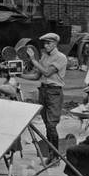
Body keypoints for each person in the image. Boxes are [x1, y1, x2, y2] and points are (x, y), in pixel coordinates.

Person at [22, 32, 67, 160]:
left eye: (49, 43)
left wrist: (33, 60)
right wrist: (18, 75)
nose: (46, 46)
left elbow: (47, 72)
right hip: (44, 91)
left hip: (54, 92)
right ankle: (51, 155)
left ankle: (56, 156)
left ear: (55, 43)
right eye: (45, 43)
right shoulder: (44, 57)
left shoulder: (60, 57)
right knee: (47, 124)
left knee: (52, 125)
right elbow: (37, 75)